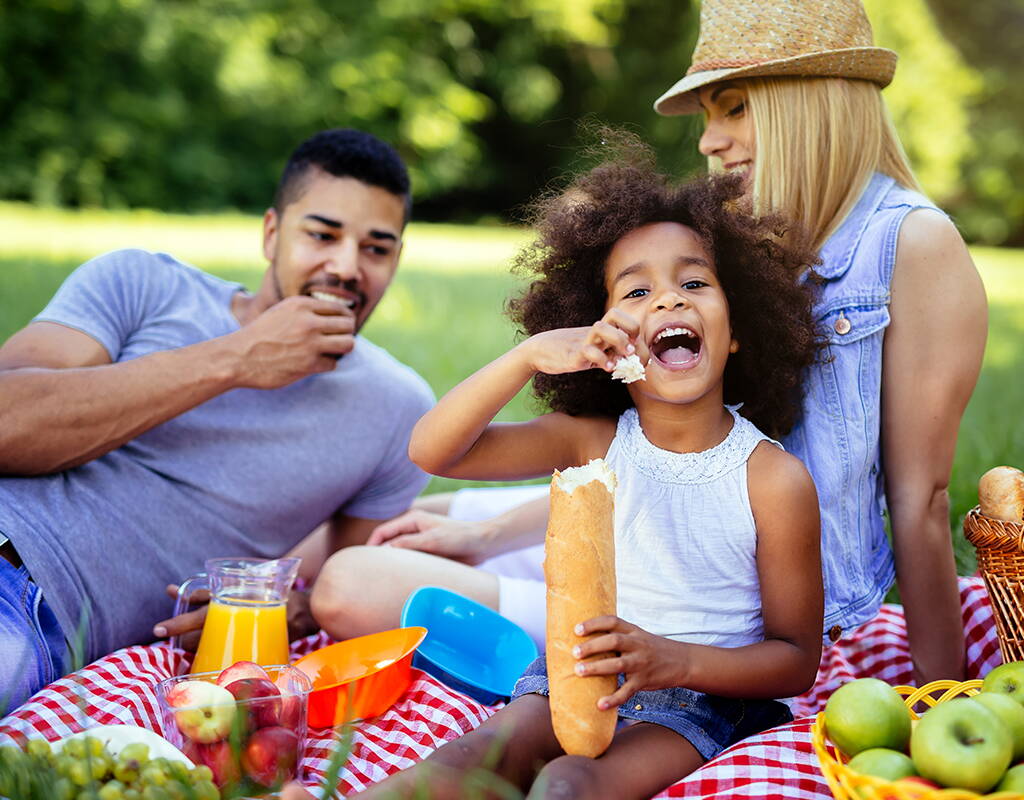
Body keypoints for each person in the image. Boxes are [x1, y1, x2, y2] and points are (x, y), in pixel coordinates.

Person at [316, 0, 987, 687]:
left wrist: (941, 692)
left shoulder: (911, 245)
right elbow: (662, 464)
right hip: (637, 522)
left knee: (349, 582)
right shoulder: (746, 231)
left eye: (732, 108)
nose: (708, 143)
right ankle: (246, 594)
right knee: (385, 522)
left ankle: (554, 649)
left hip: (700, 608)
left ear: (809, 102)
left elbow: (920, 502)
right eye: (708, 117)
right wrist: (488, 535)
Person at [317, 148, 824, 799]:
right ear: (603, 332)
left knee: (567, 784)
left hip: (703, 703)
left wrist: (675, 660)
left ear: (737, 331)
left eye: (694, 284)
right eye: (637, 291)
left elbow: (795, 660)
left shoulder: (773, 480)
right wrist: (529, 356)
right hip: (573, 678)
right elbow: (433, 451)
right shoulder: (593, 442)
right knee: (472, 755)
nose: (668, 296)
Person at [0, 129, 434, 711]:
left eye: (376, 248)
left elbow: (343, 581)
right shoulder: (142, 284)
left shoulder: (399, 409)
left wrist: (285, 609)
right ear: (272, 233)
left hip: (36, 617)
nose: (347, 267)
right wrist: (238, 358)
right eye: (322, 235)